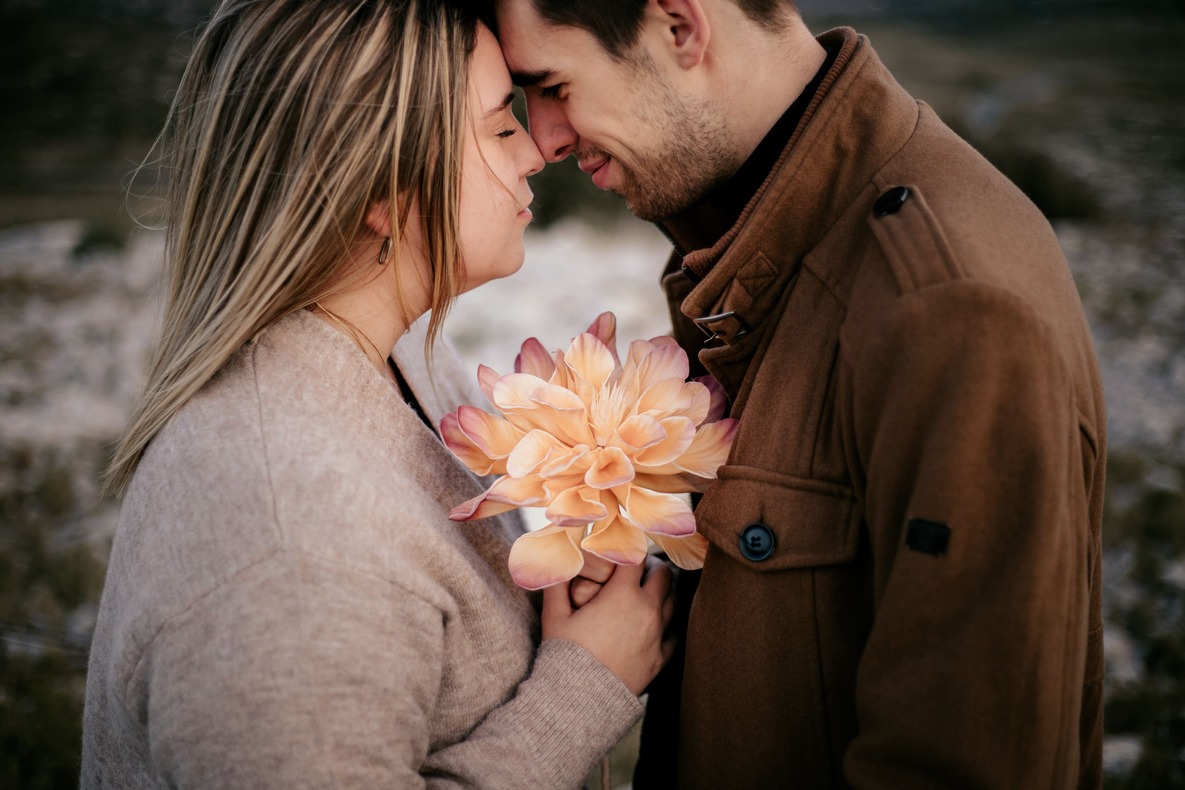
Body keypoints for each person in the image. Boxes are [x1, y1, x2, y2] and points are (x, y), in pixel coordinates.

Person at [486, 0, 1106, 787]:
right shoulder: (764, 236)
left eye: (553, 85)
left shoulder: (945, 305)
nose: (545, 139)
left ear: (680, 26)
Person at [81, 1, 675, 786]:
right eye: (500, 126)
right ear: (380, 189)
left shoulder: (393, 357)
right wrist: (581, 685)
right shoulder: (287, 553)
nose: (534, 152)